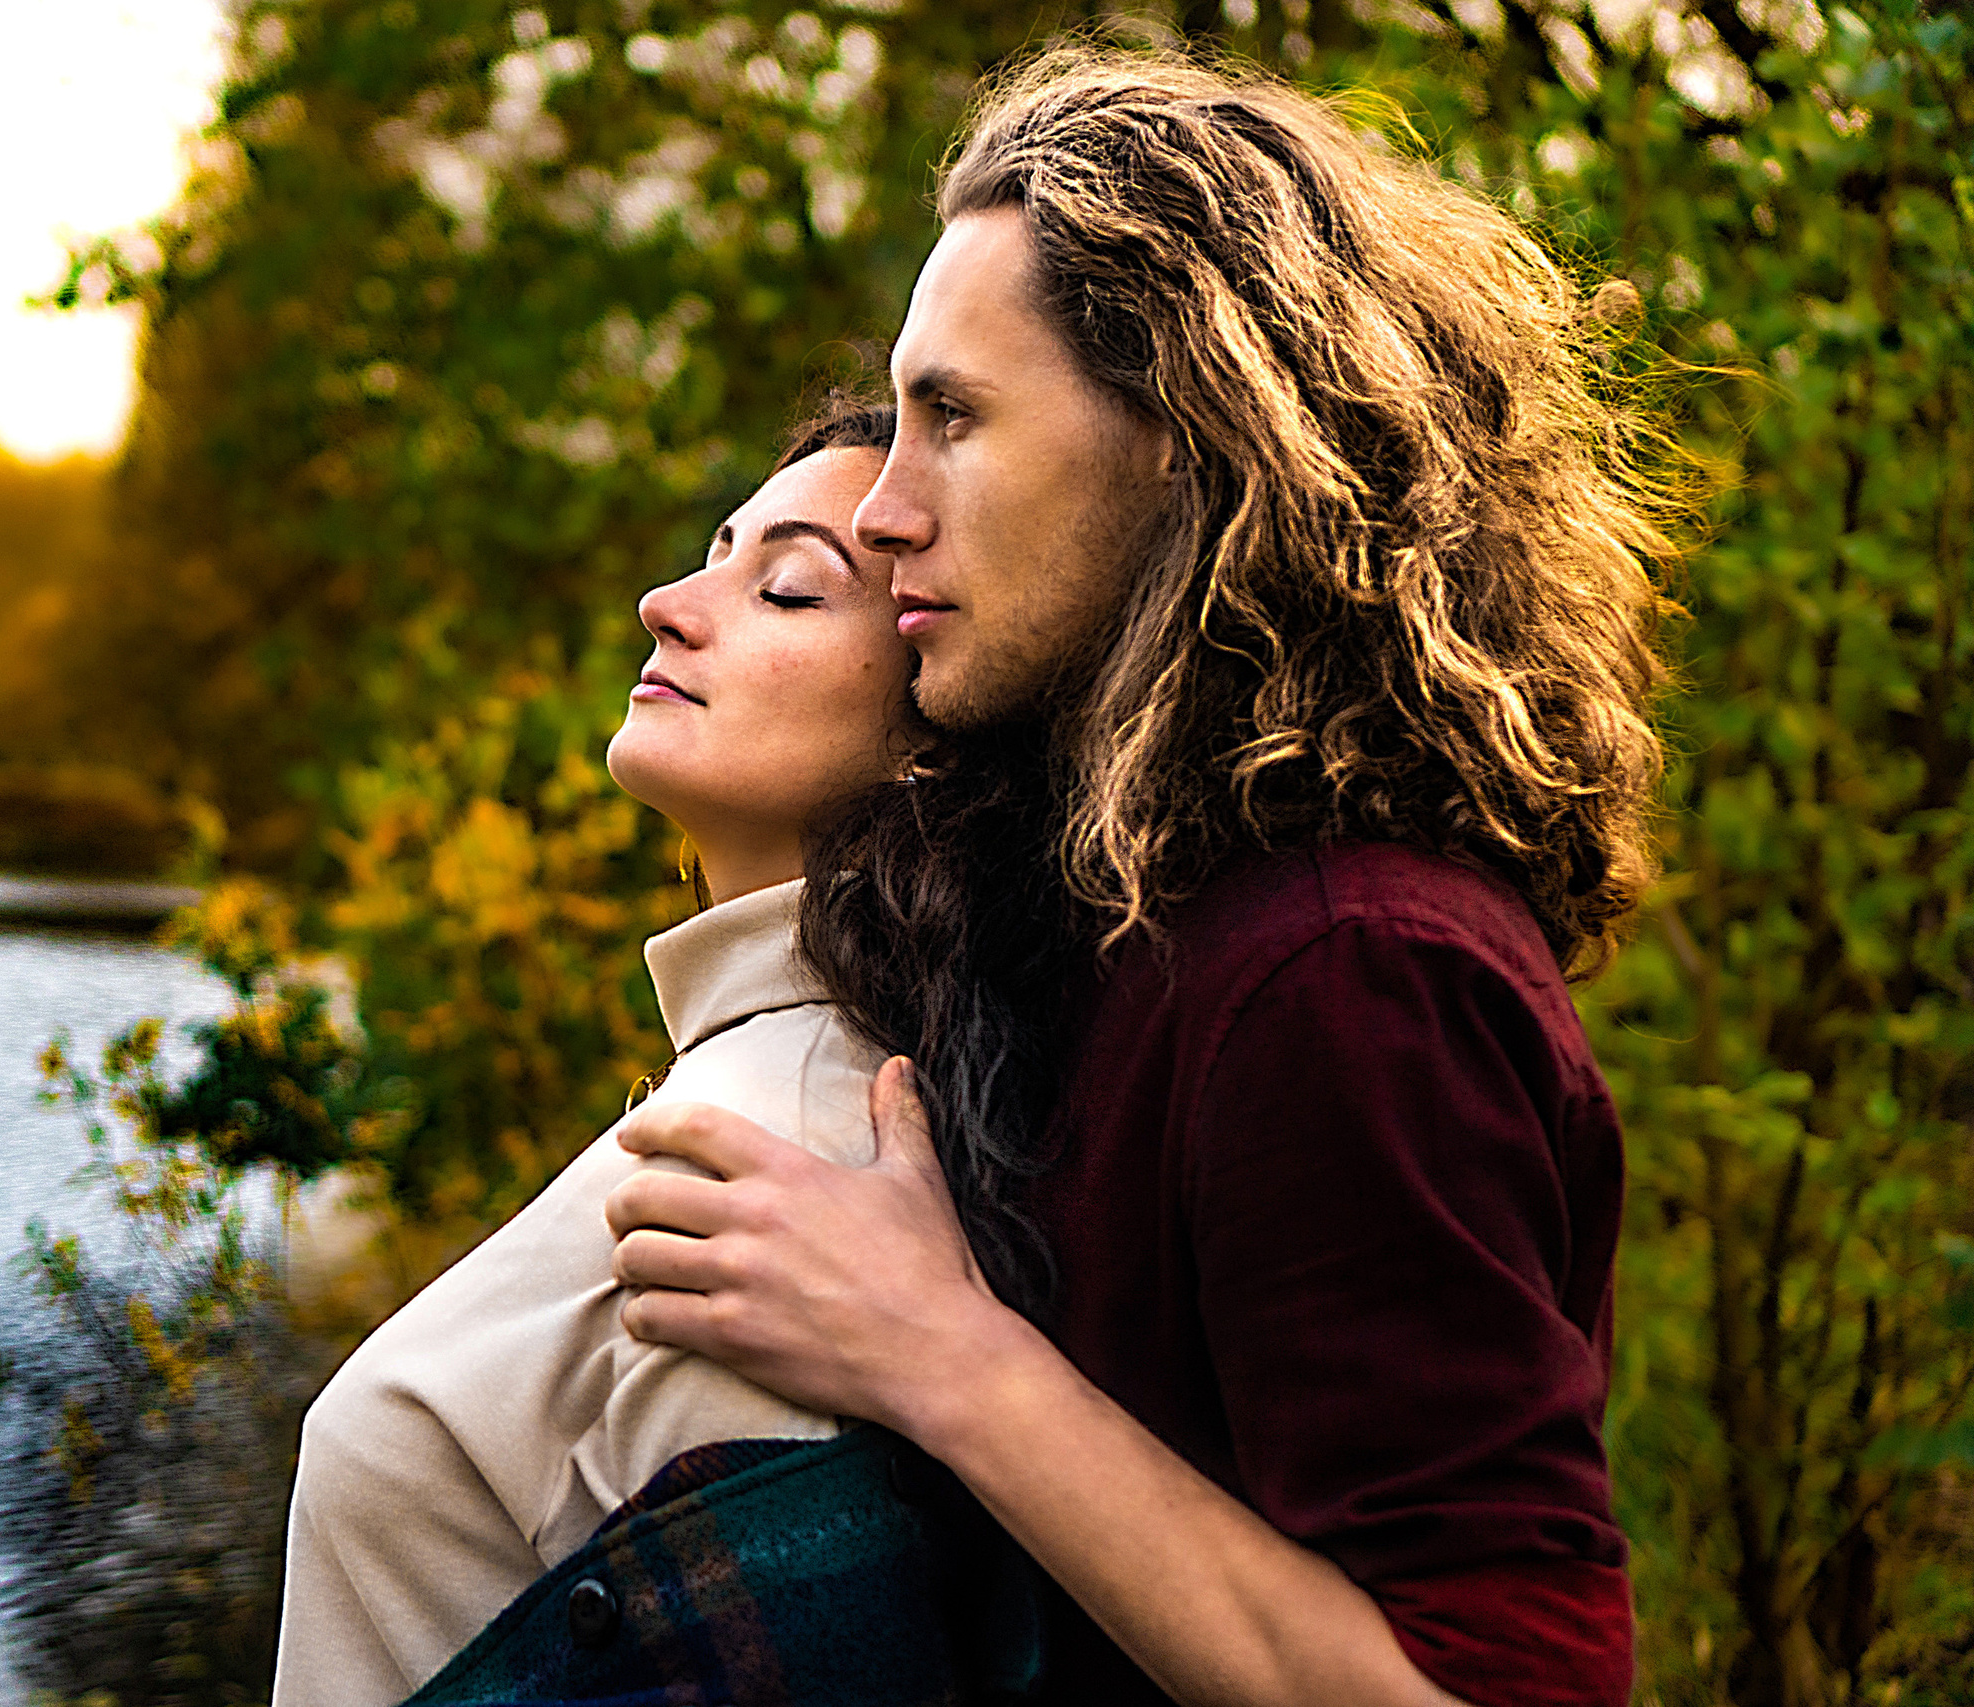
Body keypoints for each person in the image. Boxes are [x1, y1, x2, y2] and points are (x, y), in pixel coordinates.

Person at [605, 49, 1674, 1707]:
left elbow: (1491, 1689)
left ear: (1187, 433)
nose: (882, 511)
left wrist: (946, 1356)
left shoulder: (1349, 967)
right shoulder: (1134, 904)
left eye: (954, 419)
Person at [271, 404, 922, 1707]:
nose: (663, 605)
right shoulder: (764, 1094)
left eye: (789, 588)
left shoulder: (770, 1174)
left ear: (944, 720)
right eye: (715, 551)